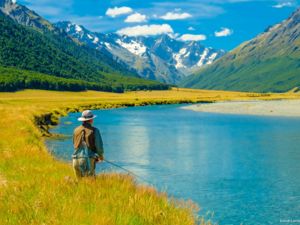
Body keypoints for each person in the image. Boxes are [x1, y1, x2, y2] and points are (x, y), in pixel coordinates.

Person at [72, 110, 104, 179]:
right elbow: (99, 147)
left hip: (75, 160)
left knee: (80, 184)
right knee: (90, 183)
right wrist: (100, 156)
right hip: (87, 161)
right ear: (91, 119)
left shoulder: (75, 130)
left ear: (83, 120)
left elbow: (74, 144)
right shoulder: (95, 130)